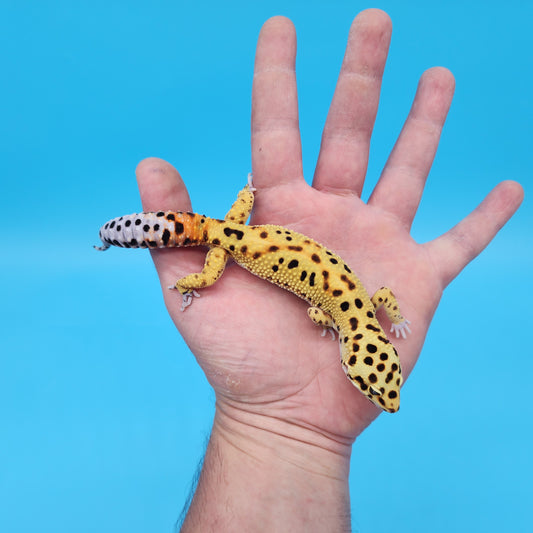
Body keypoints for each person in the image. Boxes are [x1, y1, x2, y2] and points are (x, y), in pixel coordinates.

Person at [134, 10, 523, 532]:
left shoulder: (362, 308)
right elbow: (330, 306)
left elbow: (375, 298)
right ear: (368, 348)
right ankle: (186, 267)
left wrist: (250, 198)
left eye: (376, 386)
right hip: (235, 245)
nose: (385, 397)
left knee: (219, 231)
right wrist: (199, 283)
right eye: (377, 385)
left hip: (238, 229)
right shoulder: (342, 315)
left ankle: (219, 206)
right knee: (206, 274)